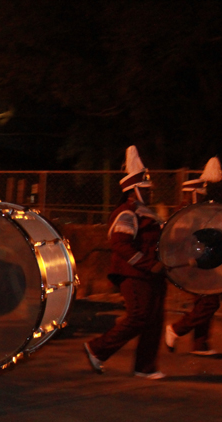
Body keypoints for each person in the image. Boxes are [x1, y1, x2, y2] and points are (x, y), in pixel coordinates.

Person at [84, 145, 166, 379]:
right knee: (139, 317)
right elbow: (120, 245)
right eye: (145, 189)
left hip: (151, 274)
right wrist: (149, 264)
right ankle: (96, 349)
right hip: (134, 274)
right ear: (133, 190)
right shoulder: (127, 212)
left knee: (154, 320)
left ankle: (145, 367)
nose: (149, 193)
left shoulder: (146, 212)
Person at [165, 156, 222, 355]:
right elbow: (183, 243)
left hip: (198, 264)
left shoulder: (193, 214)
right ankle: (175, 329)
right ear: (193, 194)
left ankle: (200, 344)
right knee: (210, 301)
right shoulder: (185, 215)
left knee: (205, 301)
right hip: (190, 266)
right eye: (201, 194)